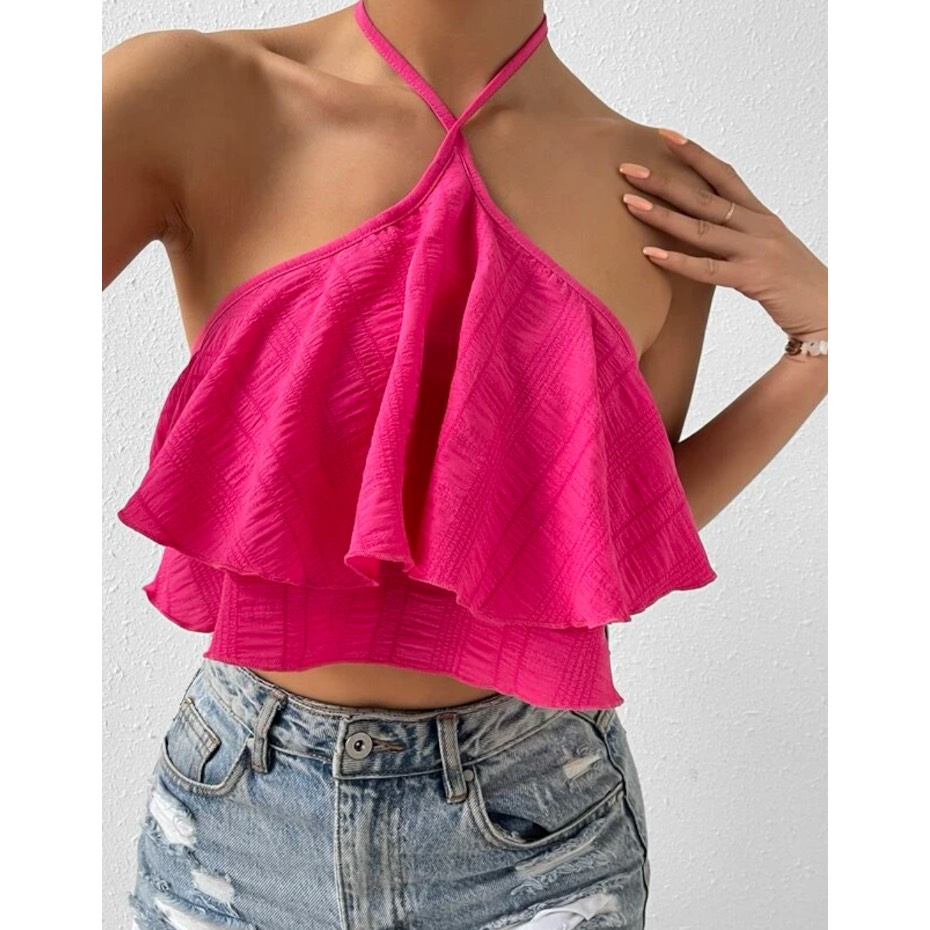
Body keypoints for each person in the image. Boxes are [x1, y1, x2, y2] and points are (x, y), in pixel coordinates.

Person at [103, 1, 827, 926]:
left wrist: (826, 340)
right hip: (237, 807)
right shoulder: (187, 92)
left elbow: (609, 531)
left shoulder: (658, 186)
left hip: (537, 826)